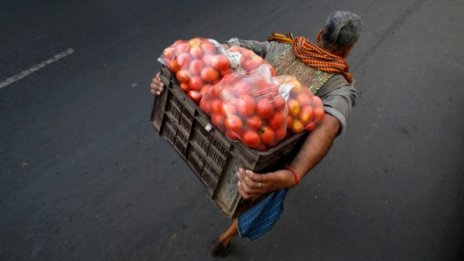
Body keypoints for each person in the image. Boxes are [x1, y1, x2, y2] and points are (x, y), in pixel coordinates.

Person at [151, 11, 362, 257]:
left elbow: (227, 51)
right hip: (263, 154)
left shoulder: (283, 47)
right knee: (262, 194)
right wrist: (293, 174)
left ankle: (228, 235)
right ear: (348, 50)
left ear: (319, 34)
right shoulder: (340, 87)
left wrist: (176, 71)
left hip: (224, 120)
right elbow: (330, 123)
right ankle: (227, 236)